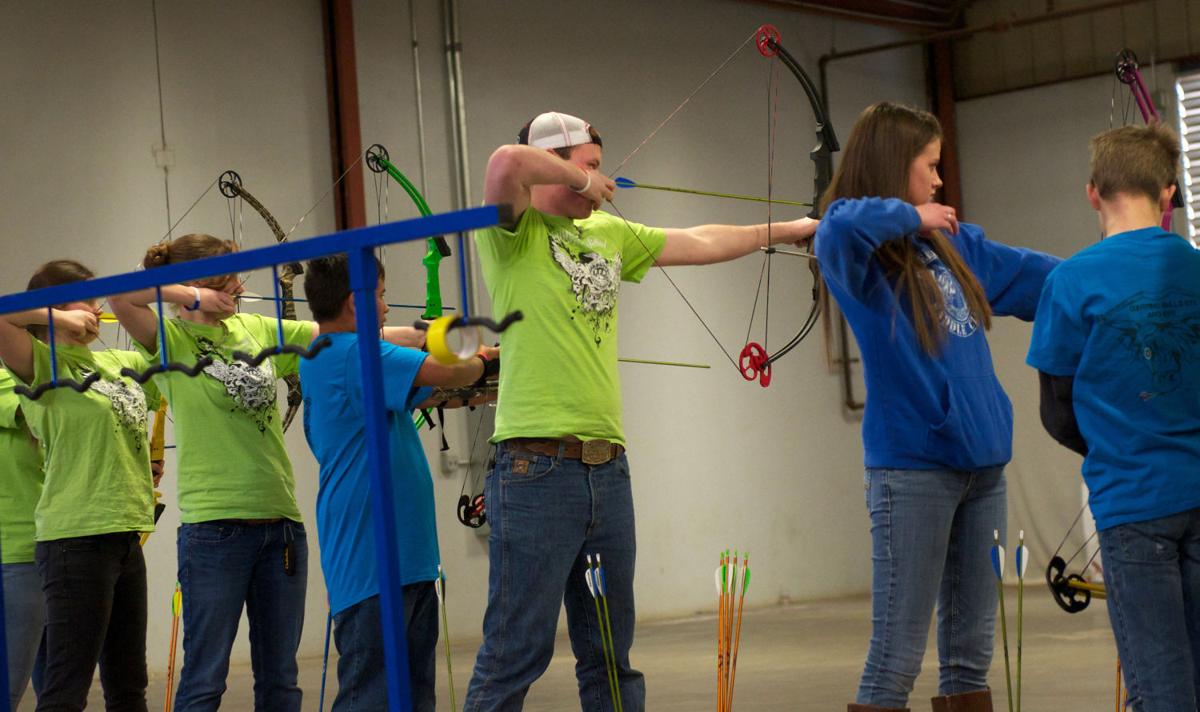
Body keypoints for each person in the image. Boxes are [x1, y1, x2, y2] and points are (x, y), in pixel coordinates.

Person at [464, 110, 817, 712]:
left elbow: (697, 241)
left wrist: (787, 230)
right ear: (560, 162)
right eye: (593, 164)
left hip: (608, 470)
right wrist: (580, 182)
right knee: (515, 653)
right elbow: (506, 161)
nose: (603, 179)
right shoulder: (511, 232)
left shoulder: (606, 234)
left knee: (609, 655)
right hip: (535, 471)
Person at [812, 102, 1060, 712]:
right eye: (929, 166)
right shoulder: (861, 254)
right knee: (896, 656)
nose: (939, 180)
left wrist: (1115, 275)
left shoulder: (952, 246)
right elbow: (836, 224)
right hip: (912, 469)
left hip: (982, 467)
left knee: (970, 657)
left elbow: (1040, 276)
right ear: (898, 168)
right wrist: (909, 216)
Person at [1027, 123, 1200, 712]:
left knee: (1159, 685)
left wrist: (1119, 443)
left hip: (1132, 502)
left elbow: (1057, 411)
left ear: (1093, 192)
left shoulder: (1070, 281)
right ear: (1168, 195)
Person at [109, 234, 316, 712]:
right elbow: (120, 294)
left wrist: (424, 338)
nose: (239, 287)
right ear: (198, 283)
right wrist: (190, 297)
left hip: (280, 524)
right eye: (227, 278)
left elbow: (329, 334)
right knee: (205, 679)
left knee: (281, 679)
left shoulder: (256, 328)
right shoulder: (171, 339)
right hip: (214, 529)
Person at [299, 254, 497, 712]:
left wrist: (473, 365)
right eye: (382, 297)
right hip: (374, 563)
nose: (387, 310)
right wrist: (479, 358)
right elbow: (449, 373)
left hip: (405, 560)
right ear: (356, 303)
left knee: (409, 695)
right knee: (372, 695)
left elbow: (438, 390)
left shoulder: (351, 359)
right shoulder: (349, 352)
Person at [0, 259, 158, 712]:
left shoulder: (122, 361)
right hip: (74, 539)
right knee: (67, 687)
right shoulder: (40, 364)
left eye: (97, 298)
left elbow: (165, 338)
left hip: (126, 534)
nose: (95, 309)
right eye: (86, 299)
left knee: (129, 684)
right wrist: (57, 317)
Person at [1, 365, 46, 710]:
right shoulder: (9, 381)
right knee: (8, 691)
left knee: (58, 689)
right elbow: (41, 412)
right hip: (17, 553)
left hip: (54, 546)